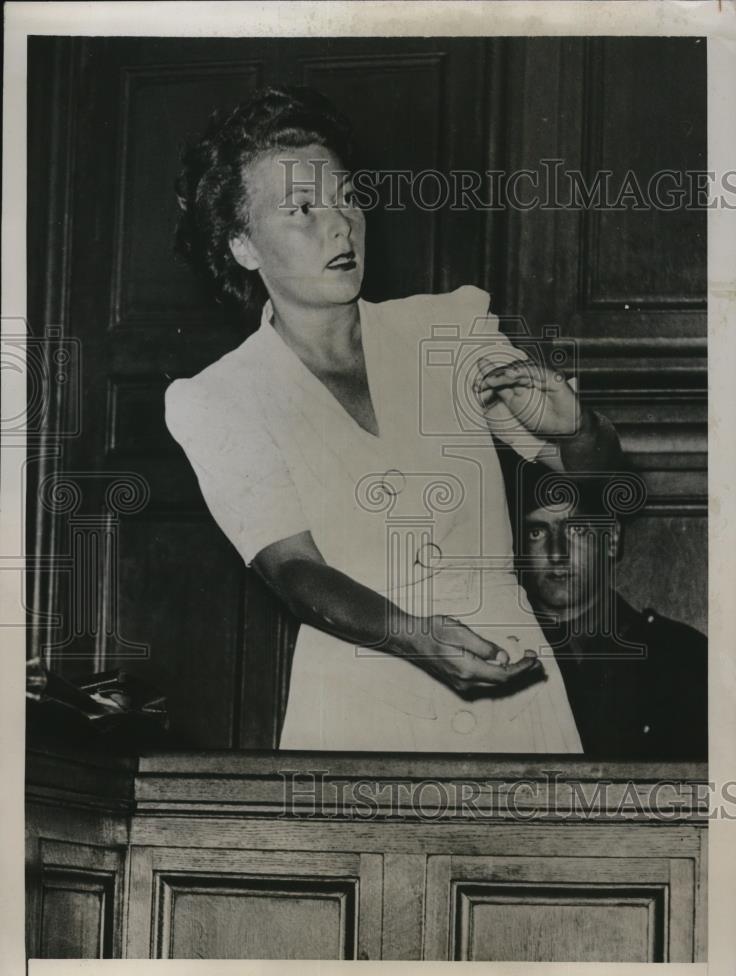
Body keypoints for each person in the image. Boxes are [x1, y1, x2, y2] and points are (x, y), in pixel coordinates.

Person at [165, 85, 623, 752]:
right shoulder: (219, 397)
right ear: (242, 246)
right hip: (358, 703)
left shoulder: (447, 329)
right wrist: (410, 634)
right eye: (302, 210)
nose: (341, 225)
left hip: (512, 687)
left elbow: (595, 472)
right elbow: (294, 571)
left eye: (347, 197)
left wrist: (576, 428)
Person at [513, 462, 707, 759]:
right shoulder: (499, 654)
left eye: (576, 529)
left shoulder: (682, 654)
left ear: (612, 539)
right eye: (536, 532)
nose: (557, 553)